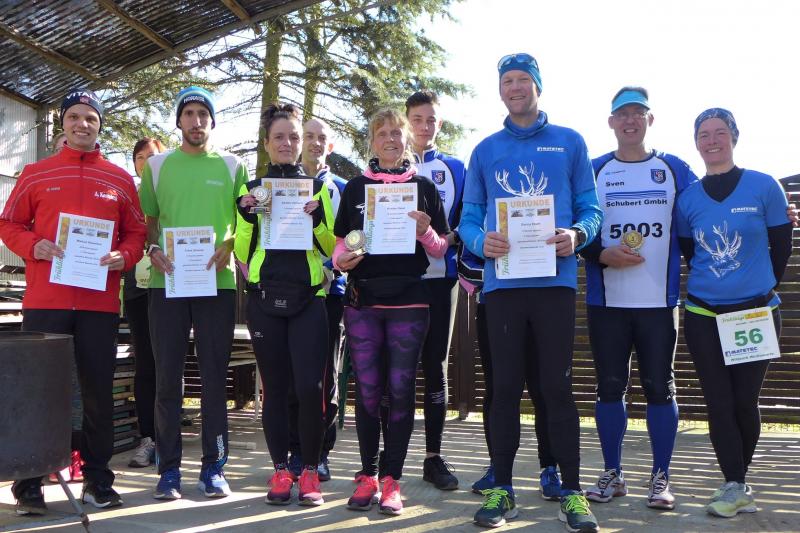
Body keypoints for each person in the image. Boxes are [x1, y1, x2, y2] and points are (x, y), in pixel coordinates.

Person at [458, 53, 602, 531]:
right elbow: (469, 218)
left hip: (554, 284)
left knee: (556, 387)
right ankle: (502, 488)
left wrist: (577, 234)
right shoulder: (486, 150)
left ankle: (573, 492)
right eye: (507, 81)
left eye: (524, 79)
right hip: (503, 287)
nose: (515, 87)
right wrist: (480, 241)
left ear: (538, 86)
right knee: (503, 388)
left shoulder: (569, 142)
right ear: (500, 90)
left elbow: (591, 208)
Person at [0, 89, 146, 513]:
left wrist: (125, 256)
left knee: (98, 393)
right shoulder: (36, 173)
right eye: (75, 117)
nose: (83, 124)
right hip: (46, 301)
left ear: (100, 126)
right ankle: (29, 485)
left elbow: (136, 233)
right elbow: (8, 223)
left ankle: (98, 481)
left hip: (99, 305)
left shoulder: (119, 179)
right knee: (39, 391)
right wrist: (34, 246)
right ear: (63, 123)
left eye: (91, 118)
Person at [579, 87, 698, 510]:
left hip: (659, 303)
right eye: (622, 114)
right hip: (607, 302)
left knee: (659, 389)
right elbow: (575, 229)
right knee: (610, 387)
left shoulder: (674, 168)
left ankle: (660, 477)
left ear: (650, 119)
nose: (630, 121)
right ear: (611, 122)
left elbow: (705, 212)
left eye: (637, 113)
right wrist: (600, 254)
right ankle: (612, 473)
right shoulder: (594, 169)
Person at [676, 108, 792, 518]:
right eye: (703, 134)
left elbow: (782, 247)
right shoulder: (688, 199)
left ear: (734, 137)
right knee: (718, 401)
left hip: (755, 314)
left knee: (744, 401)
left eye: (720, 132)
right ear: (696, 143)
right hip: (704, 314)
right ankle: (734, 484)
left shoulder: (765, 186)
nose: (712, 141)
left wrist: (757, 289)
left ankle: (737, 482)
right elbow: (690, 253)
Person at [333, 107, 449, 516]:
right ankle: (367, 475)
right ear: (372, 140)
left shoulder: (423, 188)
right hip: (363, 301)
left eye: (396, 133)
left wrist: (425, 231)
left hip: (410, 301)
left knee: (400, 392)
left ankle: (391, 481)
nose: (389, 139)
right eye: (381, 133)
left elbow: (440, 249)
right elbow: (341, 246)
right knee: (367, 392)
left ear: (406, 139)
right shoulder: (355, 188)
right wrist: (342, 260)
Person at [139, 86, 249, 500]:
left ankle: (213, 468)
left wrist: (231, 244)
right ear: (179, 121)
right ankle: (168, 471)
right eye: (189, 113)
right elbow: (149, 223)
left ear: (212, 121)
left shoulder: (233, 165)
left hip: (216, 283)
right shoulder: (157, 166)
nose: (197, 121)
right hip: (167, 282)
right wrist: (153, 249)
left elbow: (246, 221)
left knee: (214, 378)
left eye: (204, 114)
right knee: (167, 379)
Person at [234, 104, 335, 506]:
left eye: (294, 136)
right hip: (264, 298)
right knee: (275, 390)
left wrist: (319, 220)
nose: (288, 143)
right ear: (266, 143)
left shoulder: (317, 187)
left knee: (310, 389)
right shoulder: (253, 190)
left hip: (309, 299)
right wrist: (246, 217)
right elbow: (242, 253)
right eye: (279, 137)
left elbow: (331, 248)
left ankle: (309, 470)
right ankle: (280, 471)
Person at [458, 246, 562, 501]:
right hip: (495, 305)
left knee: (543, 389)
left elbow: (567, 256)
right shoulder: (477, 219)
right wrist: (501, 274)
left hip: (542, 304)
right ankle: (498, 467)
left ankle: (550, 468)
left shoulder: (551, 216)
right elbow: (464, 266)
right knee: (497, 390)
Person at [404, 90, 464, 490]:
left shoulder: (455, 168)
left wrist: (447, 237)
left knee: (435, 368)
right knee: (399, 371)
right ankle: (389, 459)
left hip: (442, 280)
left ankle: (433, 457)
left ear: (439, 124)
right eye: (418, 119)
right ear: (407, 122)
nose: (425, 127)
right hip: (400, 283)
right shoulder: (390, 167)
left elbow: (468, 218)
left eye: (431, 120)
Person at [285, 117, 348, 481]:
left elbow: (354, 240)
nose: (314, 143)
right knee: (293, 376)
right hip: (291, 292)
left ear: (330, 146)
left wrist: (331, 266)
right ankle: (296, 450)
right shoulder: (281, 185)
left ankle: (321, 451)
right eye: (308, 136)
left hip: (330, 294)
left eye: (321, 138)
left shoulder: (343, 188)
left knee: (325, 377)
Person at [125, 137, 165, 468]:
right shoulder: (127, 195)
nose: (147, 161)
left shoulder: (172, 192)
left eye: (153, 156)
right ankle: (148, 437)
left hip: (169, 285)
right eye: (140, 157)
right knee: (145, 364)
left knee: (170, 361)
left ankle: (168, 436)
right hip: (137, 289)